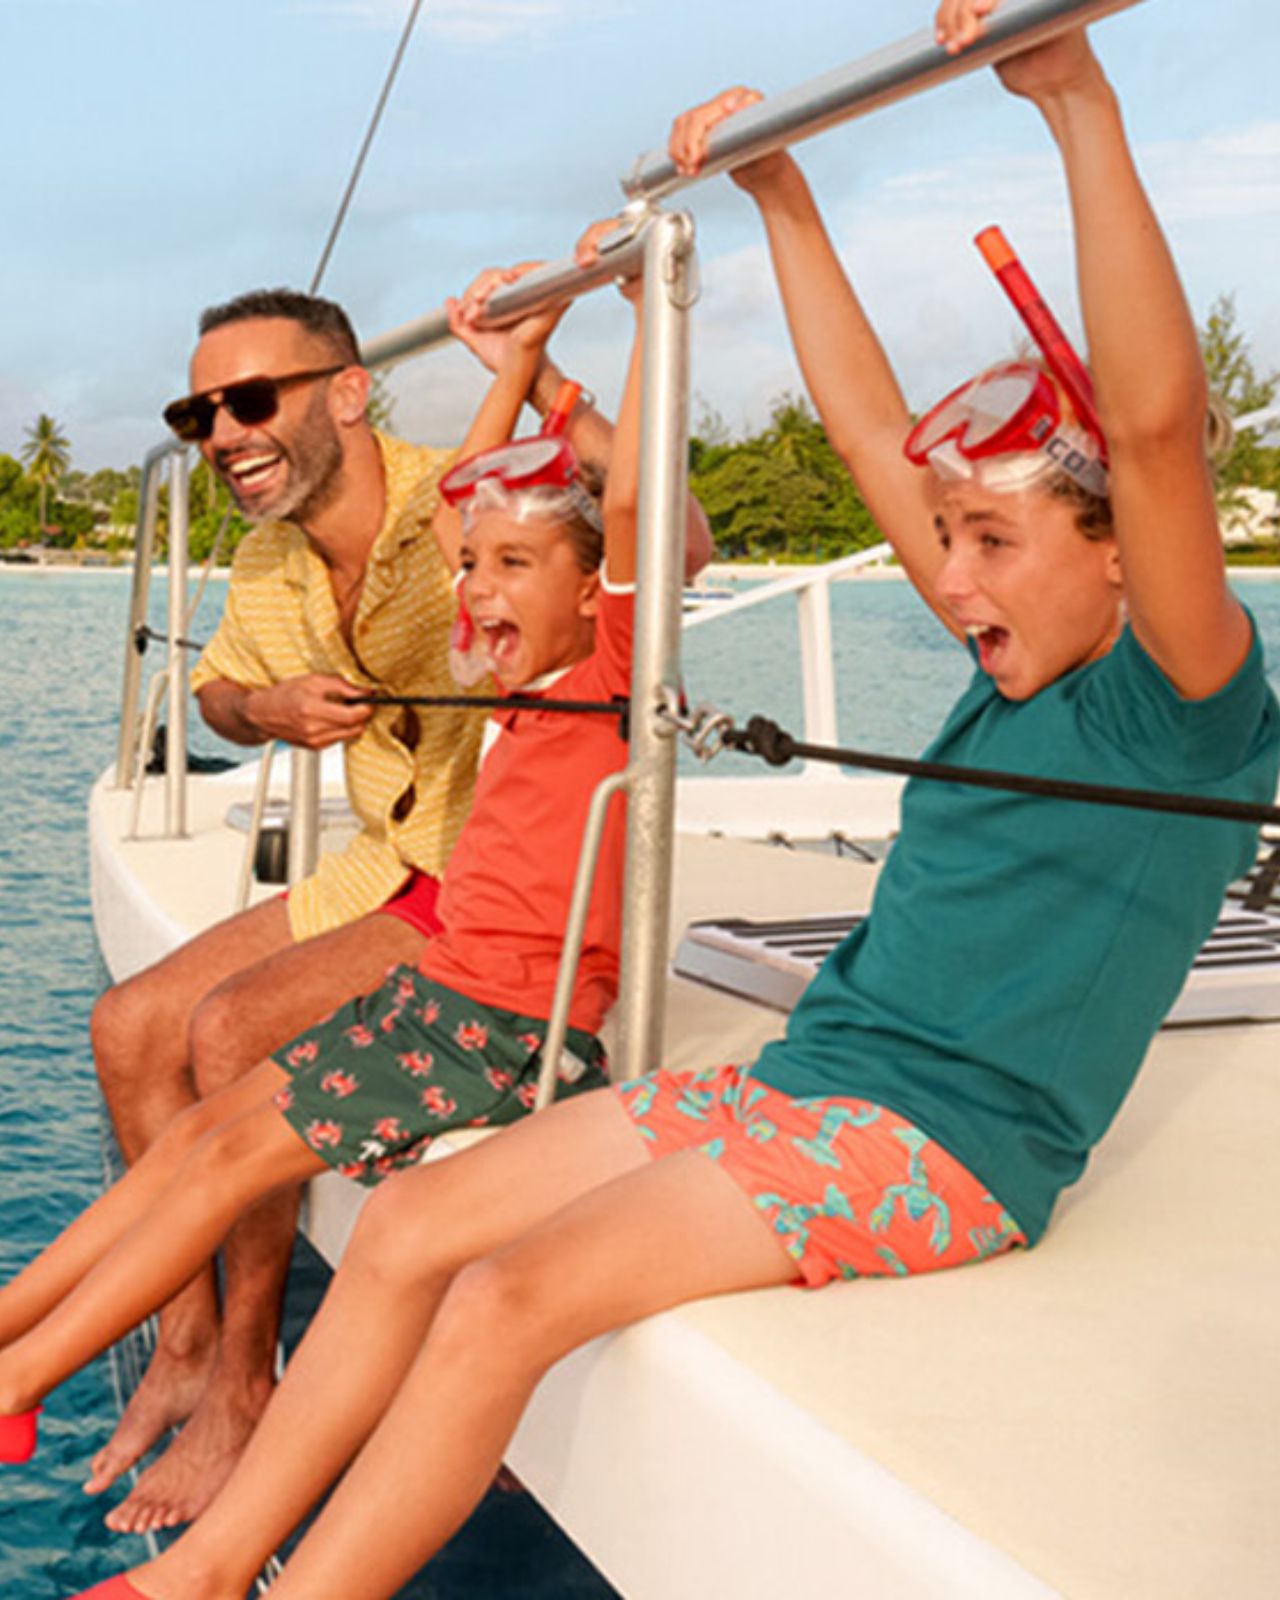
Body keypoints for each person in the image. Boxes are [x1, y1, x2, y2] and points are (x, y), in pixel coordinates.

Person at [58, 7, 1280, 1597]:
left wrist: (1074, 100)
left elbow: (1158, 428)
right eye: (945, 536)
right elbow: (859, 428)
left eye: (992, 539)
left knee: (505, 1294)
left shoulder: (1179, 703)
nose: (948, 574)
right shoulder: (1012, 654)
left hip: (940, 1144)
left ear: (1121, 549)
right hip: (804, 1073)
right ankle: (208, 1564)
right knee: (423, 1233)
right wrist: (781, 199)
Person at [0, 261, 639, 1494]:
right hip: (387, 854)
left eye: (247, 402)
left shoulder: (465, 512)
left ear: (350, 393)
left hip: (468, 894)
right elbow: (217, 694)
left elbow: (637, 520)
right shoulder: (272, 563)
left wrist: (529, 364)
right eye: (198, 418)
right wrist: (271, 707)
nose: (221, 438)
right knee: (132, 1024)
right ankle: (180, 1343)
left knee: (228, 1029)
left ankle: (245, 1380)